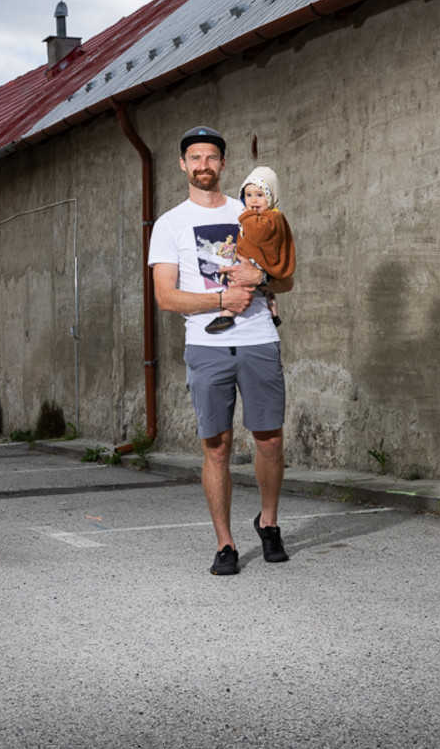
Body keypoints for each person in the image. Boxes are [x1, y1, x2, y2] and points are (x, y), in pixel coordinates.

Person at [147, 125, 295, 575]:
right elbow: (165, 297)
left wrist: (260, 278)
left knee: (270, 439)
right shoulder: (169, 224)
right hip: (207, 345)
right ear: (183, 165)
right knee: (217, 446)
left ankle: (268, 523)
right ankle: (225, 543)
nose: (203, 165)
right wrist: (220, 300)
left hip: (258, 339)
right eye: (195, 157)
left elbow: (286, 279)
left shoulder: (252, 210)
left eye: (211, 157)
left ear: (224, 164)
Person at [205, 166, 296, 333]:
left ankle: (227, 314)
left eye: (260, 195)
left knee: (240, 283)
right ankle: (274, 314)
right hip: (259, 260)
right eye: (248, 195)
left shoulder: (271, 216)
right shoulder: (266, 216)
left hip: (258, 261)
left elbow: (258, 233)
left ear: (271, 196)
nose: (253, 201)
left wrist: (246, 216)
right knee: (265, 292)